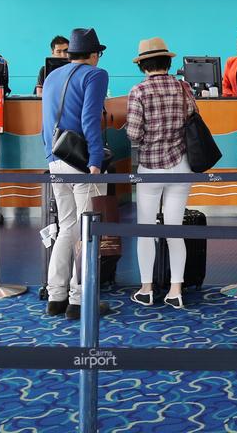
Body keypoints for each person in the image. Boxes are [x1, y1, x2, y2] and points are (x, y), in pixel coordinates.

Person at [40, 28, 112, 320]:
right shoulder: (96, 75)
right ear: (94, 54)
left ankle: (56, 296)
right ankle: (80, 300)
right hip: (81, 161)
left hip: (55, 158)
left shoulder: (52, 76)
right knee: (86, 233)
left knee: (66, 226)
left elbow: (45, 120)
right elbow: (89, 118)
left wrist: (49, 154)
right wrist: (95, 158)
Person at [125, 37, 195, 311]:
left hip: (150, 168)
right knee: (174, 230)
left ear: (143, 65)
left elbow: (133, 133)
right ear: (168, 62)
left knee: (146, 230)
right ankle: (176, 290)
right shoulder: (183, 87)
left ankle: (147, 289)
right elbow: (193, 117)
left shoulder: (138, 91)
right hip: (181, 165)